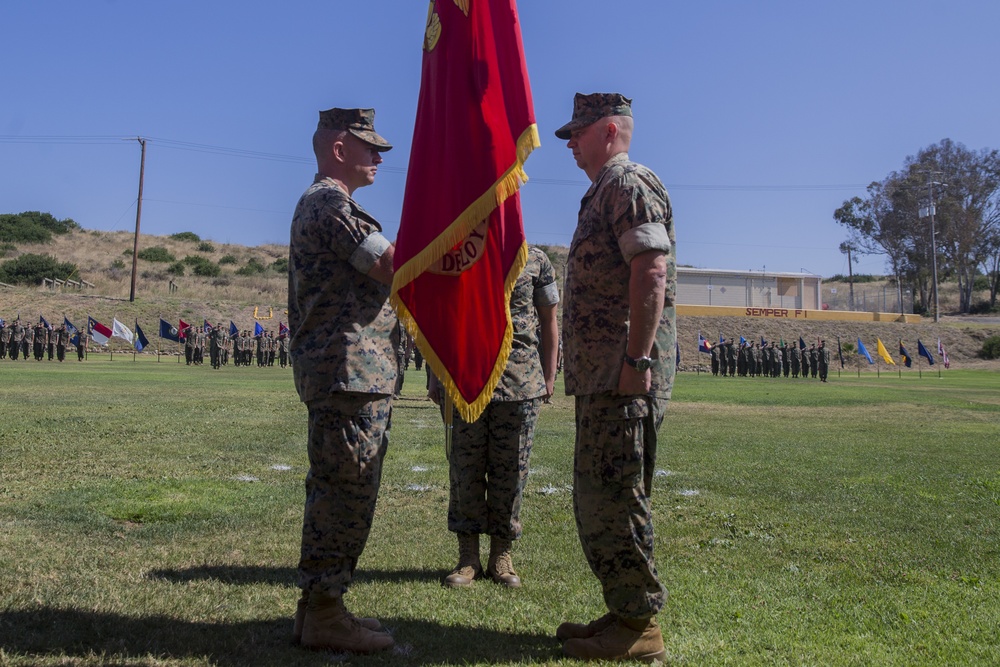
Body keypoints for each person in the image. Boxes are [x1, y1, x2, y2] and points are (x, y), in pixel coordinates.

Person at [554, 92, 675, 663]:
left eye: (577, 132)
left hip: (621, 375)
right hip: (602, 376)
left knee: (616, 495)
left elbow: (650, 271)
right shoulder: (602, 190)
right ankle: (623, 608)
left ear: (608, 131)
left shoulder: (628, 184)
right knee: (599, 495)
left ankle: (639, 624)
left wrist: (637, 362)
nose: (570, 143)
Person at [288, 107, 398, 654]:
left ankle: (316, 609)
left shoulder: (325, 203)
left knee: (337, 488)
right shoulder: (331, 204)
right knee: (347, 492)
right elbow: (392, 267)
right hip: (348, 372)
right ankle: (326, 609)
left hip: (344, 371)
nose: (379, 157)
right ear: (338, 150)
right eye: (369, 147)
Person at [429, 245, 559, 590]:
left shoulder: (537, 260)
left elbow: (549, 318)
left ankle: (501, 555)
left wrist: (548, 375)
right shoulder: (460, 251)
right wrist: (434, 372)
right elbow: (441, 312)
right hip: (467, 379)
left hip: (520, 382)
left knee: (511, 472)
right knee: (465, 470)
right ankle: (468, 557)